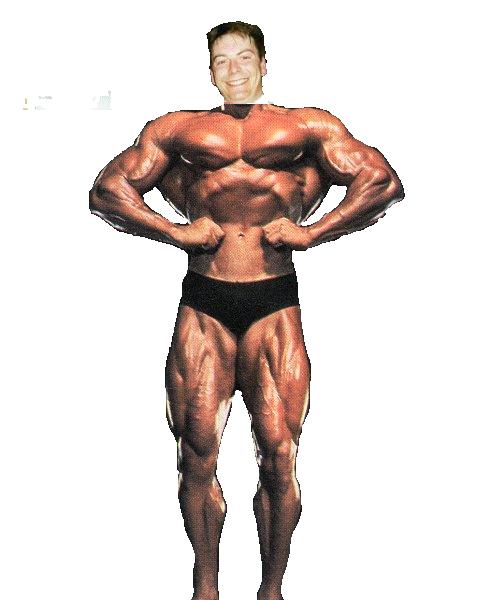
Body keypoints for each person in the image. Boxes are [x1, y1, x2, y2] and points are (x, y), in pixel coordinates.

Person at [89, 21, 404, 600]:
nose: (232, 69)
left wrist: (313, 233)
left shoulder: (308, 126)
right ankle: (205, 587)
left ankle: (271, 591)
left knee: (279, 454)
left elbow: (381, 182)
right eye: (221, 60)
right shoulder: (177, 129)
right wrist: (175, 233)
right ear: (209, 71)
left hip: (274, 303)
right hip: (204, 303)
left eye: (242, 57)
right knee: (195, 453)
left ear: (263, 63)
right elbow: (108, 191)